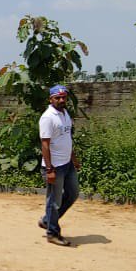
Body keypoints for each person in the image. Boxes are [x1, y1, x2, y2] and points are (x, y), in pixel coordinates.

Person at [39, 84, 80, 247]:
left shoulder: (65, 114)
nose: (61, 100)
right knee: (54, 201)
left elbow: (66, 138)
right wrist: (49, 170)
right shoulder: (48, 117)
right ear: (51, 99)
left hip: (67, 163)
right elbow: (45, 144)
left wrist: (73, 159)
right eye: (57, 97)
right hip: (54, 166)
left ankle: (47, 220)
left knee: (73, 193)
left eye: (63, 97)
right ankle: (52, 233)